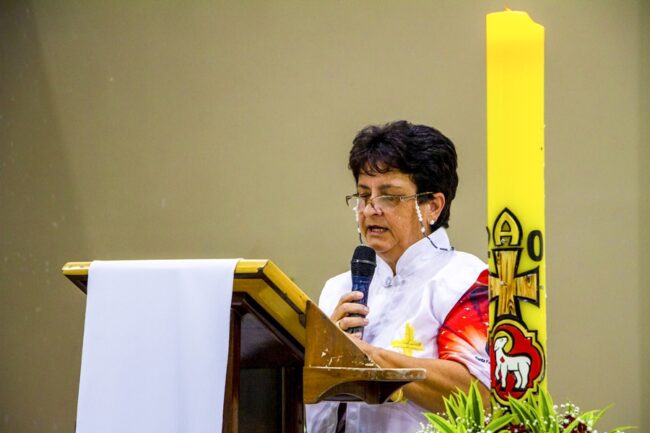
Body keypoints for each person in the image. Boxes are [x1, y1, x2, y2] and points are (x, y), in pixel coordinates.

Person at [306, 121, 490, 433]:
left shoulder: (465, 281)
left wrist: (370, 358)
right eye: (364, 195)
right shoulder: (337, 288)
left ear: (433, 206)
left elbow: (478, 396)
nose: (370, 210)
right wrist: (318, 357)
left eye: (389, 196)